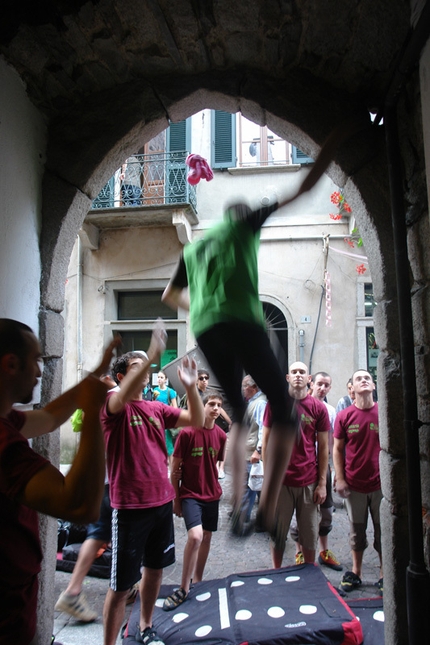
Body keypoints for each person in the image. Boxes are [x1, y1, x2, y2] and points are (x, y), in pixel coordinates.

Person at [162, 200, 298, 535]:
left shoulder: (193, 250)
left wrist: (200, 307)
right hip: (242, 321)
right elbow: (300, 190)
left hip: (207, 328)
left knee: (239, 410)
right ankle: (266, 507)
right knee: (284, 408)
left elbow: (169, 293)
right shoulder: (244, 227)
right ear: (243, 218)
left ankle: (237, 508)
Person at [0, 318, 119, 645]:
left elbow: (52, 417)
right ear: (11, 364)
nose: (40, 372)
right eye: (36, 360)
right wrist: (94, 412)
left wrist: (93, 377)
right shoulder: (4, 445)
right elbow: (79, 506)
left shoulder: (7, 419)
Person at [100, 323, 205, 645]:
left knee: (155, 570)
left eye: (148, 366)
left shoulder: (155, 407)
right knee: (120, 586)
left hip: (160, 502)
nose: (146, 371)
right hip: (130, 507)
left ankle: (145, 626)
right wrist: (154, 351)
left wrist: (189, 388)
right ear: (121, 376)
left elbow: (197, 421)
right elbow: (119, 397)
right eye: (136, 366)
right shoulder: (112, 404)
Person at [54, 371, 139, 621]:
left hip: (104, 478)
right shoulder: (114, 398)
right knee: (107, 532)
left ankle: (124, 583)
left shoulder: (100, 400)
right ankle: (79, 590)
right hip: (112, 480)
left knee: (103, 533)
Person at [163, 392, 227, 611]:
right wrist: (177, 500)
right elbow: (174, 470)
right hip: (191, 494)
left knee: (207, 537)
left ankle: (198, 580)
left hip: (212, 495)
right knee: (195, 536)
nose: (215, 408)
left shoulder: (221, 435)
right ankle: (183, 586)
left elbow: (219, 464)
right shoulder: (187, 434)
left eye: (219, 405)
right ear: (202, 406)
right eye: (211, 404)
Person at [262, 361, 329, 567]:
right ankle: (276, 571)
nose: (298, 375)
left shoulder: (318, 408)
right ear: (288, 378)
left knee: (309, 534)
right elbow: (266, 442)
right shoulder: (275, 405)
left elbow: (324, 447)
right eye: (294, 372)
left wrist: (322, 483)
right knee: (278, 533)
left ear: (309, 379)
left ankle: (309, 575)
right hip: (281, 482)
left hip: (307, 481)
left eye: (302, 372)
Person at [333, 369, 383, 594]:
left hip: (382, 485)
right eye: (358, 378)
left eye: (367, 378)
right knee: (357, 531)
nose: (364, 380)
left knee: (384, 531)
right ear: (351, 388)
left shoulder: (384, 412)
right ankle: (357, 572)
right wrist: (341, 478)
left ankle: (384, 573)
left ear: (373, 386)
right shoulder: (344, 416)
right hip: (354, 484)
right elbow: (337, 449)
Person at [309, 371, 342, 570]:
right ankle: (300, 553)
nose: (322, 388)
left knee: (326, 510)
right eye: (319, 384)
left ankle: (324, 551)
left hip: (323, 466)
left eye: (326, 385)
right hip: (304, 465)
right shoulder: (300, 407)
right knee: (303, 512)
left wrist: (333, 468)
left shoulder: (330, 410)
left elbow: (332, 441)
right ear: (311, 384)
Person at [180, 368, 231, 478]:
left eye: (206, 378)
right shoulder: (193, 393)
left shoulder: (208, 392)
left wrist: (229, 421)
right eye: (201, 378)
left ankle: (219, 468)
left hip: (211, 425)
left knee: (219, 443)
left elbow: (220, 408)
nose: (204, 380)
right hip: (198, 426)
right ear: (196, 380)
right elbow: (191, 411)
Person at [241, 375, 267, 522]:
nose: (243, 389)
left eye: (245, 386)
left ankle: (244, 515)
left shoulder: (260, 403)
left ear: (253, 387)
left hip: (254, 452)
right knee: (255, 485)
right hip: (249, 450)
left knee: (252, 484)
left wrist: (258, 450)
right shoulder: (254, 402)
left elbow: (264, 428)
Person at [153, 370, 178, 467]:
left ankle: (172, 467)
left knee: (168, 444)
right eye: (158, 377)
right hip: (156, 420)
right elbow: (152, 405)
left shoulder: (170, 391)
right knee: (157, 442)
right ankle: (162, 465)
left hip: (166, 420)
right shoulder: (155, 390)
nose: (159, 379)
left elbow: (175, 407)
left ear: (166, 380)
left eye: (161, 377)